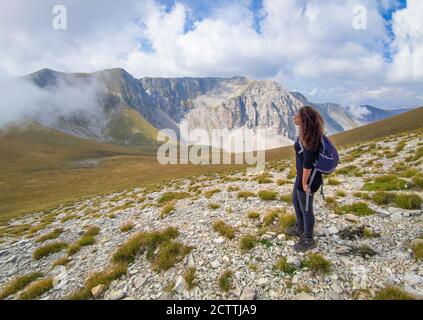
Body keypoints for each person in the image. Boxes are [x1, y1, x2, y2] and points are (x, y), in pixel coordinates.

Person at [286, 106, 325, 252]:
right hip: (302, 176)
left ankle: (309, 239)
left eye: (297, 116)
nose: (294, 117)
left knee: (306, 208)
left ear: (304, 120)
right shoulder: (307, 133)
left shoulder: (310, 137)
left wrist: (304, 182)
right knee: (296, 201)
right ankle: (299, 227)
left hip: (308, 179)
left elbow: (308, 163)